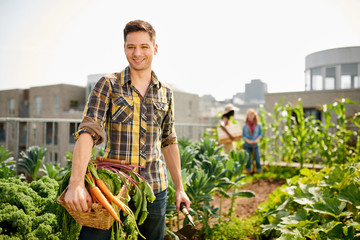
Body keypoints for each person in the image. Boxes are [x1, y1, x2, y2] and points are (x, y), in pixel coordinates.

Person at [64, 20, 191, 240]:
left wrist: (179, 188)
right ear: (124, 49)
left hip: (154, 187)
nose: (137, 53)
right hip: (112, 186)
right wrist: (76, 183)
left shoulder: (166, 93)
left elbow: (169, 140)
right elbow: (88, 131)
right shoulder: (109, 84)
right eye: (131, 46)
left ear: (155, 49)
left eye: (144, 46)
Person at [242, 108, 263, 174]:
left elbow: (260, 134)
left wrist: (256, 140)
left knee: (257, 158)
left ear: (254, 116)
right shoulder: (245, 126)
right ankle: (248, 170)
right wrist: (248, 141)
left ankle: (259, 170)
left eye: (251, 115)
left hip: (255, 144)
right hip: (247, 145)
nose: (250, 117)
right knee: (248, 159)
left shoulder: (258, 125)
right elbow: (243, 136)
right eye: (248, 115)